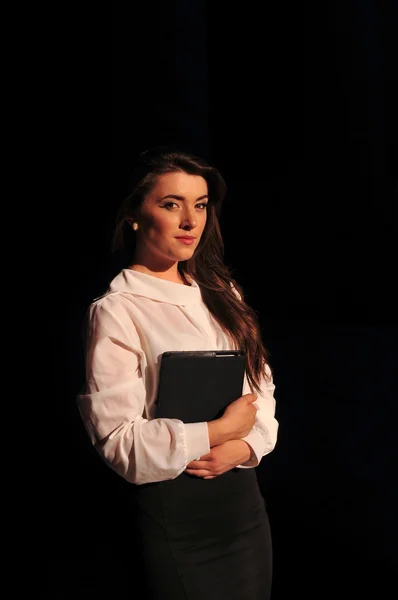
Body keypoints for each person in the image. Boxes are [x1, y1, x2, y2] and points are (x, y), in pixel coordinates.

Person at [77, 146, 279, 599]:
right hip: (177, 517)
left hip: (243, 507)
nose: (191, 221)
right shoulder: (118, 310)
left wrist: (246, 444)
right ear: (135, 214)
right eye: (172, 204)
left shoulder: (222, 291)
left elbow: (260, 387)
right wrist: (217, 432)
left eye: (201, 205)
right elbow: (118, 441)